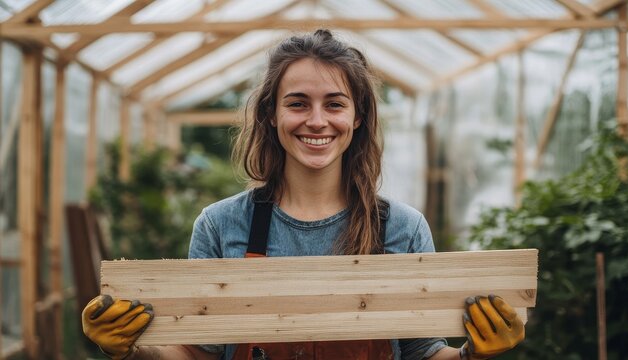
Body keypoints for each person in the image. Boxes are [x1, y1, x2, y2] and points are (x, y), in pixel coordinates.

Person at [82, 29, 525, 360]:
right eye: (297, 103)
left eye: (334, 104)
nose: (317, 120)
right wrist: (130, 349)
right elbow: (200, 353)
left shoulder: (402, 227)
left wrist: (473, 353)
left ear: (357, 118)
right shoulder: (221, 225)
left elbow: (421, 353)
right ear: (271, 115)